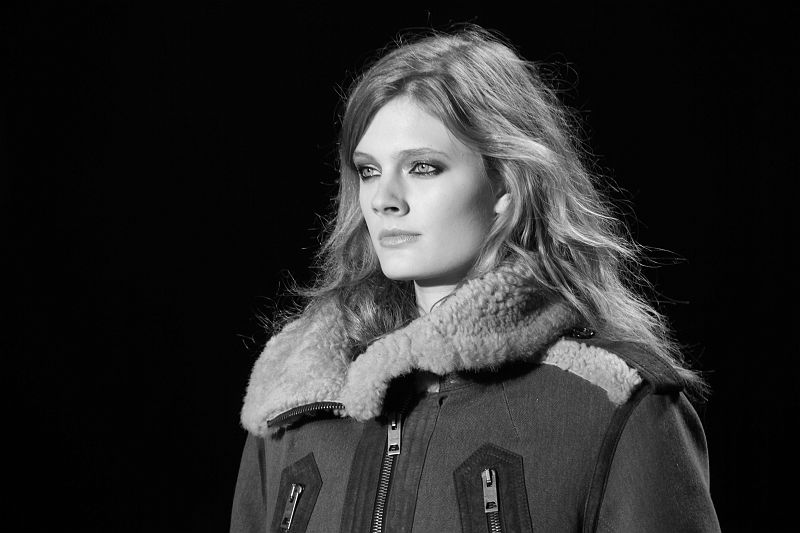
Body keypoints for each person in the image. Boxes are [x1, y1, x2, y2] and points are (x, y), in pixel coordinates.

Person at [231, 26, 721, 533]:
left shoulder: (614, 402)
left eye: (422, 167)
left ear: (507, 182)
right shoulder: (291, 398)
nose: (383, 200)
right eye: (369, 171)